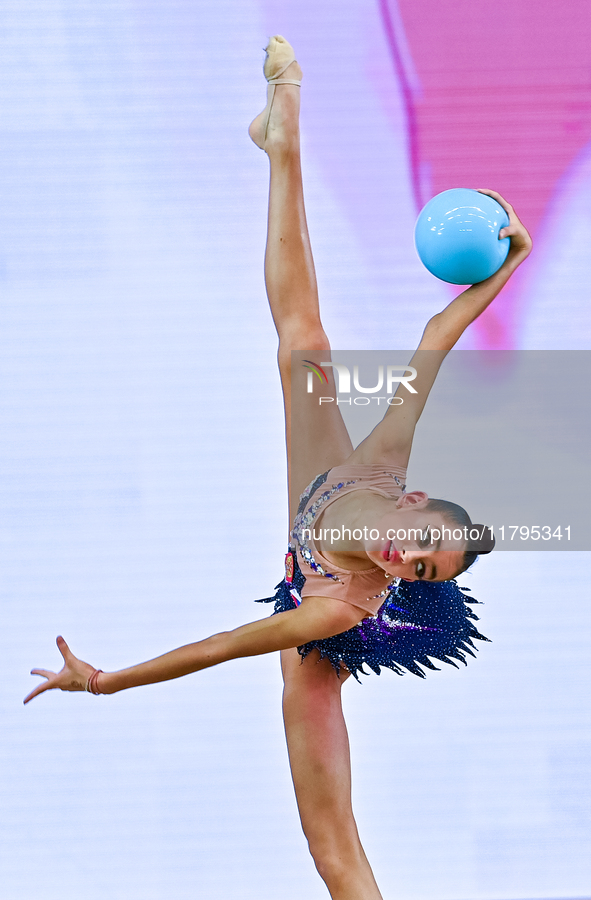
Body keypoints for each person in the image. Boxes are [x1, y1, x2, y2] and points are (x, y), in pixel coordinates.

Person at [24, 36, 532, 900]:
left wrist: (105, 682)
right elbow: (434, 338)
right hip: (322, 500)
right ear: (408, 504)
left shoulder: (331, 610)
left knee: (333, 851)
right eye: (423, 546)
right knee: (304, 342)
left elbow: (223, 645)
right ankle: (281, 138)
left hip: (315, 622)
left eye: (422, 572)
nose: (410, 564)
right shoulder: (377, 464)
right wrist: (506, 270)